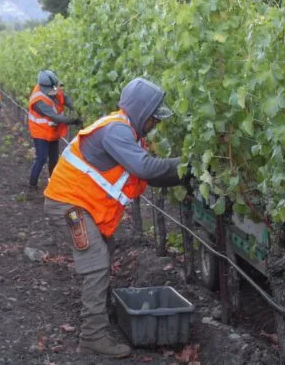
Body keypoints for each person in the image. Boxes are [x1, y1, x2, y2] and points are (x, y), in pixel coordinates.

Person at [44, 78, 188, 358]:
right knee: (96, 262)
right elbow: (145, 168)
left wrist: (184, 176)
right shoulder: (116, 131)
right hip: (69, 205)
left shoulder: (127, 133)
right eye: (153, 118)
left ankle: (101, 311)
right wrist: (187, 165)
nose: (155, 124)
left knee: (103, 253)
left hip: (81, 203)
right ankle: (92, 336)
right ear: (141, 112)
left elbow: (147, 175)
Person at [27, 70, 81, 190]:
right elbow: (54, 116)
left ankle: (53, 184)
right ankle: (32, 185)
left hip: (52, 131)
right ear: (43, 87)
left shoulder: (53, 87)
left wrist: (77, 107)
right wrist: (74, 120)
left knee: (54, 159)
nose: (55, 91)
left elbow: (65, 98)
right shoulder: (38, 100)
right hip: (40, 132)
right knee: (41, 158)